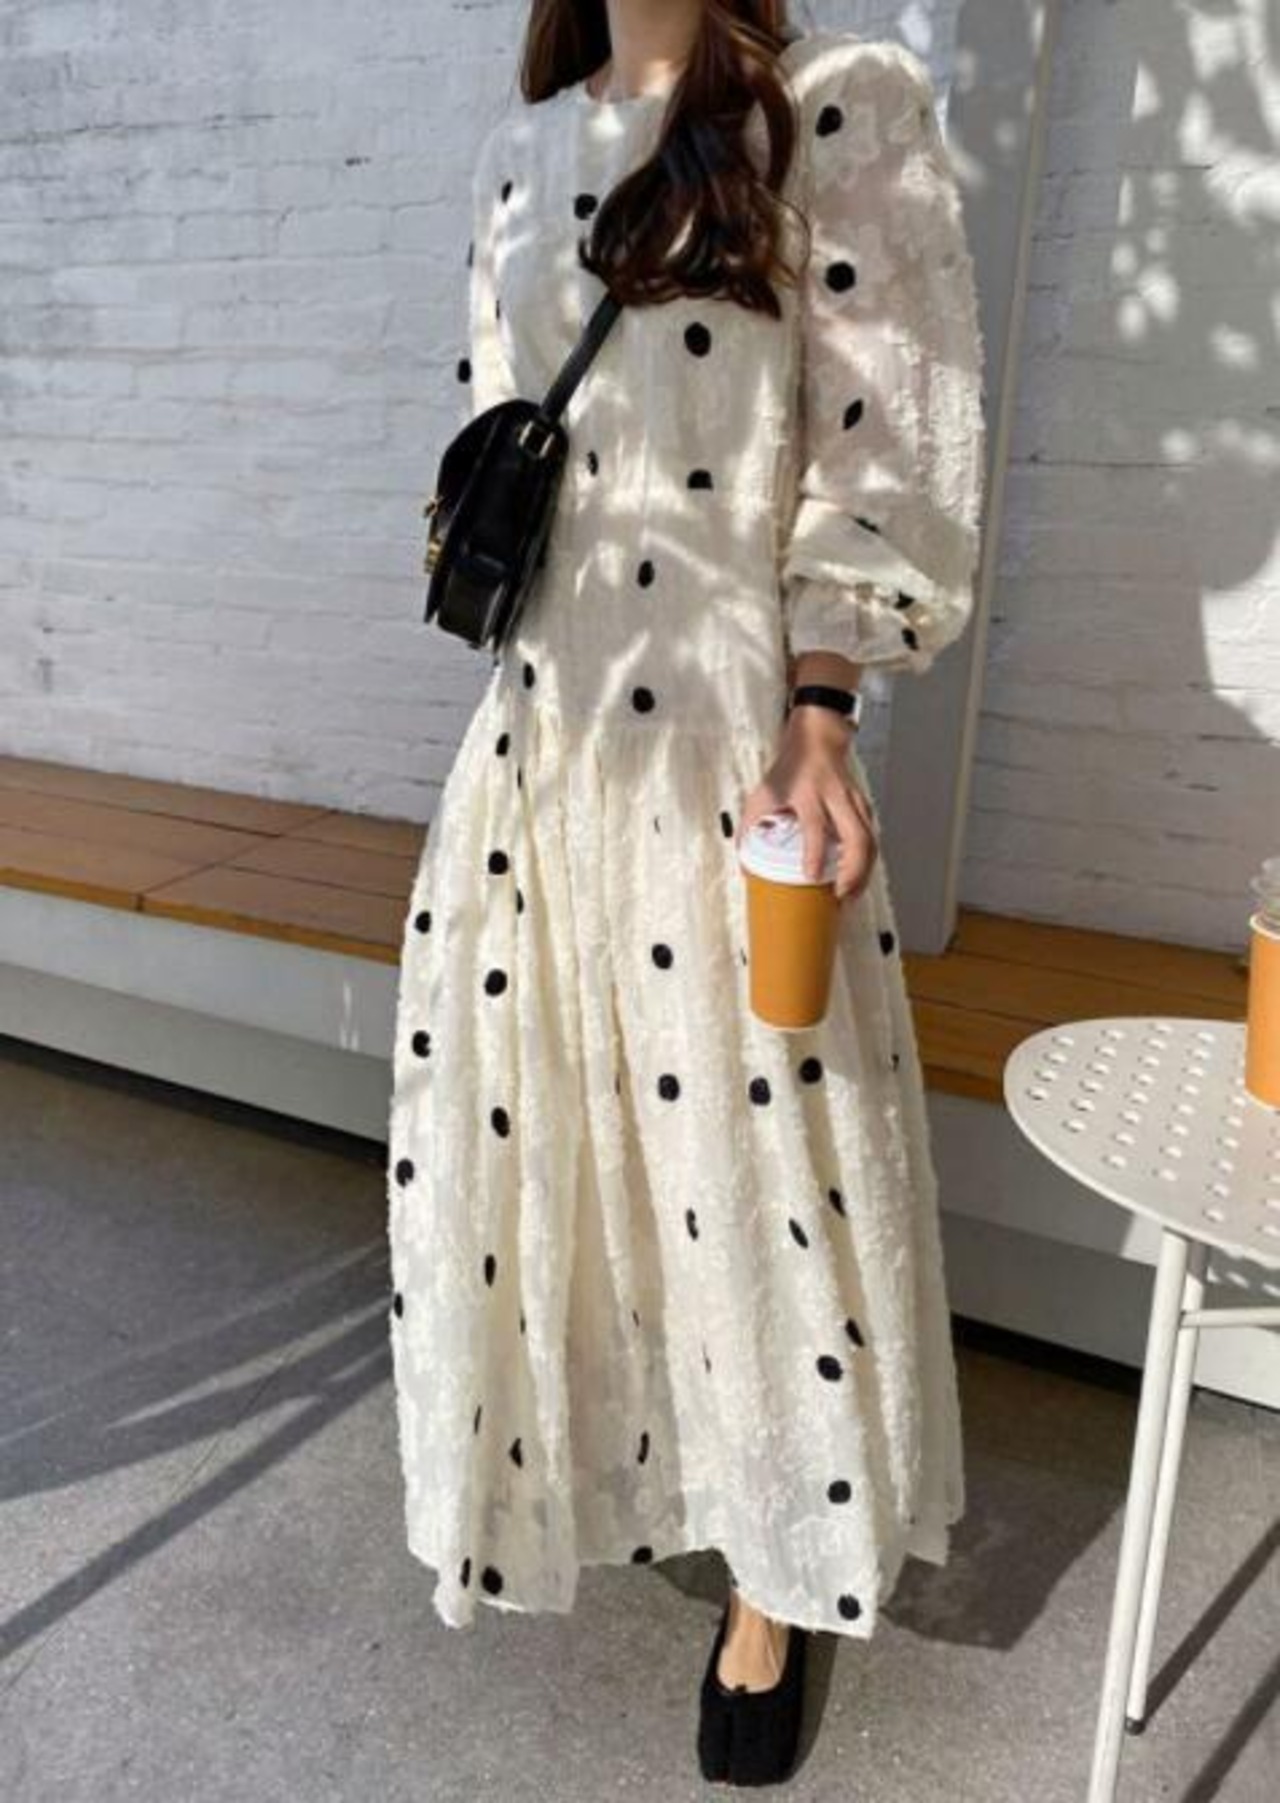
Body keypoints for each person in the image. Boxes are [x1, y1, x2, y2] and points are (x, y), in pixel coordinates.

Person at [386, 0, 986, 1786]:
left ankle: (778, 1580)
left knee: (759, 1164)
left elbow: (882, 444)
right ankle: (643, 1457)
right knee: (574, 1145)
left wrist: (823, 707)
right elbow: (500, 428)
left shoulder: (834, 108)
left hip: (734, 746)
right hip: (546, 740)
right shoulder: (519, 153)